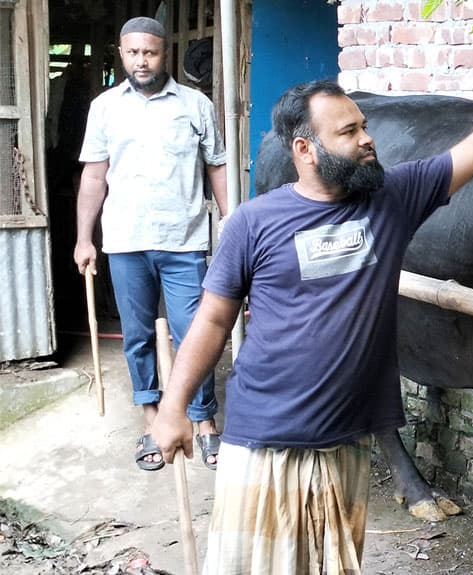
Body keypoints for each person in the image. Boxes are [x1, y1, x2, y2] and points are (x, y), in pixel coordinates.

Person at [151, 66, 473, 573]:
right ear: (305, 150)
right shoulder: (253, 223)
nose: (368, 139)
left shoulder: (392, 199)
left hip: (345, 444)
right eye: (348, 132)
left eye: (363, 126)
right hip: (263, 443)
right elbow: (210, 322)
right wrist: (174, 409)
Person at [74, 16, 226, 472]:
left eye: (151, 52)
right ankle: (151, 419)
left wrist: (234, 223)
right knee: (138, 336)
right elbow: (94, 177)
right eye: (134, 53)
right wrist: (85, 238)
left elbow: (216, 166)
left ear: (165, 54)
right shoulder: (104, 108)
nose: (142, 61)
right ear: (122, 54)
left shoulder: (196, 105)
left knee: (194, 334)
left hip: (184, 241)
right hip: (125, 241)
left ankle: (204, 423)